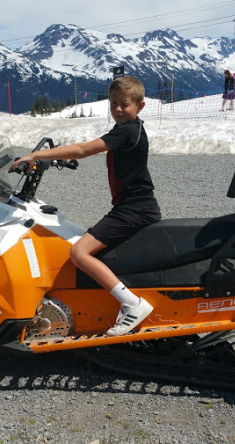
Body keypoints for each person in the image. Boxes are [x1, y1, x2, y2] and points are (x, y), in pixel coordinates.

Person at [10, 76, 161, 336]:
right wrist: (57, 159)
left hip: (134, 208)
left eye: (124, 104)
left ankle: (132, 304)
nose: (117, 109)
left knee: (79, 253)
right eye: (113, 103)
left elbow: (83, 149)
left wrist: (35, 155)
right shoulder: (133, 127)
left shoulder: (126, 131)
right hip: (136, 205)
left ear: (140, 106)